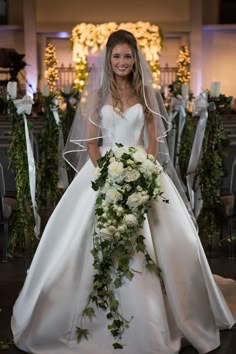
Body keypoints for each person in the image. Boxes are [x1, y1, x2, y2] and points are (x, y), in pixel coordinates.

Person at [11, 29, 235, 354]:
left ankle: (161, 317)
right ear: (109, 59)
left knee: (156, 244)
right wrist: (106, 175)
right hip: (102, 172)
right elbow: (90, 142)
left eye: (127, 56)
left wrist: (142, 174)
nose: (122, 62)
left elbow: (154, 145)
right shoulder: (99, 96)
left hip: (142, 170)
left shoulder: (145, 95)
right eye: (116, 56)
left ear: (135, 59)